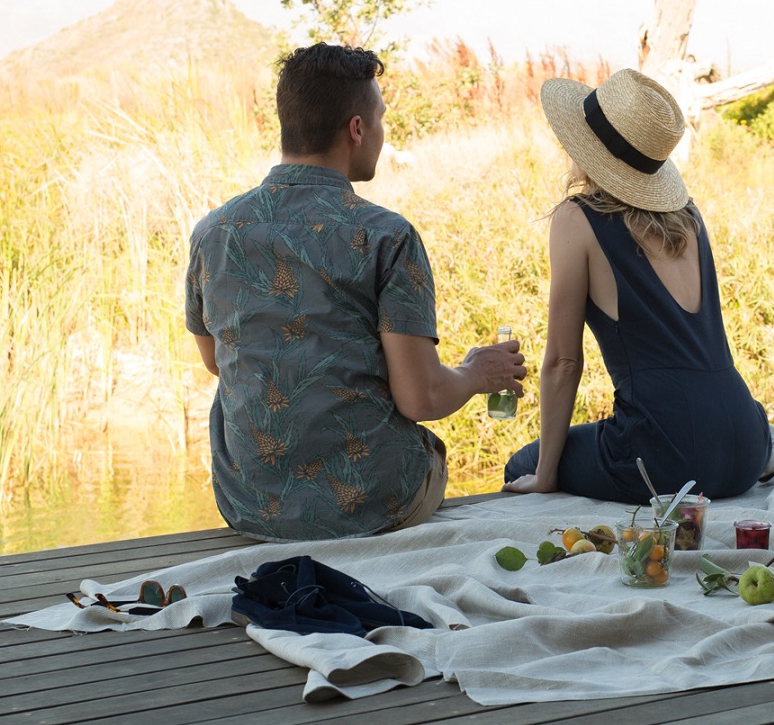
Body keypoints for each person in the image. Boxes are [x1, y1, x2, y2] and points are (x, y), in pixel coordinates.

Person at [185, 44, 524, 540]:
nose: (382, 135)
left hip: (250, 505)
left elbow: (216, 359)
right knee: (425, 453)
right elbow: (422, 397)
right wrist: (476, 373)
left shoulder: (213, 231)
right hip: (371, 505)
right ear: (357, 128)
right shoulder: (386, 236)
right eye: (381, 119)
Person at [503, 68, 772, 502]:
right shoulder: (691, 218)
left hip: (666, 453)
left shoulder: (578, 218)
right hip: (746, 443)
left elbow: (563, 363)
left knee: (523, 464)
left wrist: (545, 475)